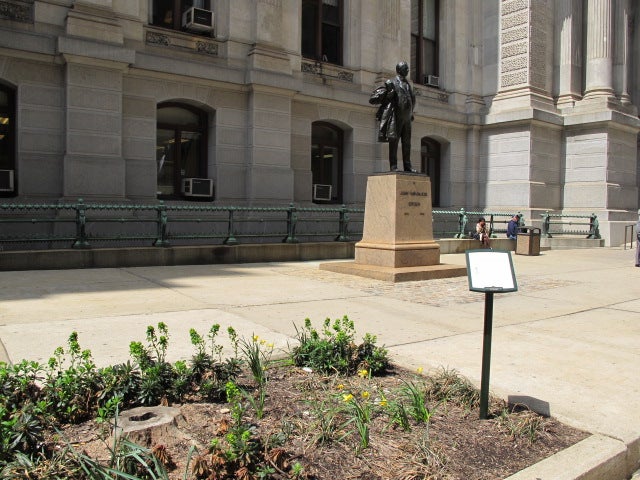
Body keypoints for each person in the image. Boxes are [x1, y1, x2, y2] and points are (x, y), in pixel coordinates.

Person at [369, 61, 416, 172]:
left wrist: (411, 113)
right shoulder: (391, 82)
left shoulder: (407, 84)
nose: (408, 70)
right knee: (394, 142)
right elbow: (378, 99)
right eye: (406, 68)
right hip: (396, 117)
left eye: (407, 68)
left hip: (407, 118)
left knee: (407, 143)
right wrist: (389, 94)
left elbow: (411, 99)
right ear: (399, 70)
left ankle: (407, 165)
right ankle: (393, 166)